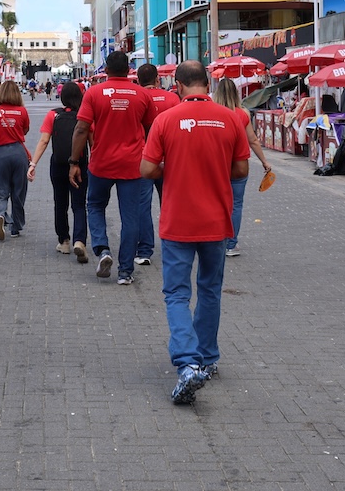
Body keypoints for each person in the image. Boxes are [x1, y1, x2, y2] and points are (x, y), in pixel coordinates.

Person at [140, 60, 250, 404]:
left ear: (178, 86)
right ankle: (207, 357)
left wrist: (170, 166)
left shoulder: (165, 120)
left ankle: (188, 364)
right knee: (210, 290)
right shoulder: (231, 118)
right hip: (217, 221)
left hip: (178, 222)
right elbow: (242, 168)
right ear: (207, 83)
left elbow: (146, 169)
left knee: (176, 294)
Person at [69, 50, 157, 285]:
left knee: (95, 205)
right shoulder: (142, 94)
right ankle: (126, 272)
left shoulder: (94, 92)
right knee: (131, 218)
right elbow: (151, 130)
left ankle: (103, 250)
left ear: (105, 70)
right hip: (133, 166)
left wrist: (74, 161)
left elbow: (81, 129)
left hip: (101, 164)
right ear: (129, 70)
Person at [28, 81, 88, 258]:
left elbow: (44, 141)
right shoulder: (84, 116)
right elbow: (93, 141)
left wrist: (33, 164)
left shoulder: (53, 115)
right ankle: (80, 240)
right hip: (79, 164)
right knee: (79, 204)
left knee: (60, 203)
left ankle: (64, 241)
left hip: (58, 164)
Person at [214, 77, 273, 257]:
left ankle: (215, 241)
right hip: (239, 165)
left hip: (217, 165)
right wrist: (264, 161)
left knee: (216, 203)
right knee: (236, 205)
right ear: (235, 93)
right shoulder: (243, 114)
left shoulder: (212, 113)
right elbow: (253, 140)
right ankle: (231, 244)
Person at [136, 62, 181, 263]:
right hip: (170, 160)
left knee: (143, 206)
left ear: (138, 80)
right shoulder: (173, 98)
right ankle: (174, 246)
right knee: (170, 204)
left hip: (144, 160)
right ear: (157, 79)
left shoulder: (137, 98)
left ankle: (145, 251)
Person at [0, 80, 30, 240]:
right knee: (18, 191)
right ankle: (16, 227)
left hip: (0, 153)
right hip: (18, 153)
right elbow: (24, 131)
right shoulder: (22, 111)